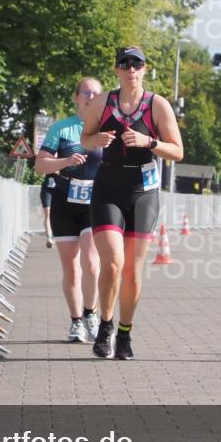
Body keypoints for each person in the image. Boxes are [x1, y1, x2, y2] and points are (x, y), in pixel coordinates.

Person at [81, 46, 183, 360]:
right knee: (112, 264)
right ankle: (106, 326)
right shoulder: (103, 101)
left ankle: (125, 333)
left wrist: (148, 141)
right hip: (108, 188)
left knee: (133, 273)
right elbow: (86, 137)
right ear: (117, 70)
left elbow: (177, 151)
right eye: (125, 64)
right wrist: (95, 141)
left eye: (136, 64)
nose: (130, 70)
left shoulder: (158, 105)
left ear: (144, 69)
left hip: (143, 192)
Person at [35, 78, 105, 342]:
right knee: (71, 268)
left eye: (96, 93)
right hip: (64, 201)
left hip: (93, 203)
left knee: (91, 262)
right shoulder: (61, 129)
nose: (90, 96)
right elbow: (40, 166)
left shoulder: (106, 130)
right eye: (85, 92)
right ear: (76, 97)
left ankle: (91, 313)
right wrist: (65, 161)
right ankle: (76, 322)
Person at [39, 175, 55, 248]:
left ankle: (54, 236)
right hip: (47, 189)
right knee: (47, 213)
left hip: (60, 189)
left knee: (56, 215)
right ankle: (49, 238)